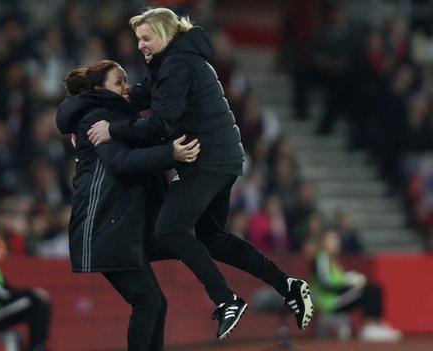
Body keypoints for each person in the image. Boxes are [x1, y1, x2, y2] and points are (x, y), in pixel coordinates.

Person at [87, 8, 314, 339]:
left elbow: (161, 122)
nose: (140, 45)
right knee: (213, 238)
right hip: (223, 157)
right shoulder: (178, 58)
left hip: (205, 159)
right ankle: (288, 286)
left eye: (146, 38)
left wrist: (112, 129)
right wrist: (106, 99)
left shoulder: (176, 64)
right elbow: (146, 94)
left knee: (169, 230)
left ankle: (226, 300)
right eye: (138, 39)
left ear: (165, 35)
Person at [57, 60, 200, 351]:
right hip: (102, 224)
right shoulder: (95, 118)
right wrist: (170, 154)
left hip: (116, 223)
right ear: (99, 89)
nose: (127, 87)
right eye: (118, 82)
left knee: (154, 302)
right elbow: (119, 163)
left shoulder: (113, 118)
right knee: (148, 301)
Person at [311, 229, 402, 342]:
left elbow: (337, 280)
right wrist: (349, 283)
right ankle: (370, 327)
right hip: (330, 303)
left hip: (338, 298)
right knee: (368, 290)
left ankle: (377, 324)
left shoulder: (332, 260)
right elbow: (326, 284)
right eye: (332, 239)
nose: (336, 242)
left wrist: (349, 279)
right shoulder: (322, 258)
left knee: (374, 287)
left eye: (336, 239)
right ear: (323, 242)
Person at [0, 230, 51, 351]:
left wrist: (31, 292)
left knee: (39, 300)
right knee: (36, 300)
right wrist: (32, 293)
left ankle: (37, 345)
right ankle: (37, 347)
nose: (2, 251)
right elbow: (1, 295)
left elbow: (9, 291)